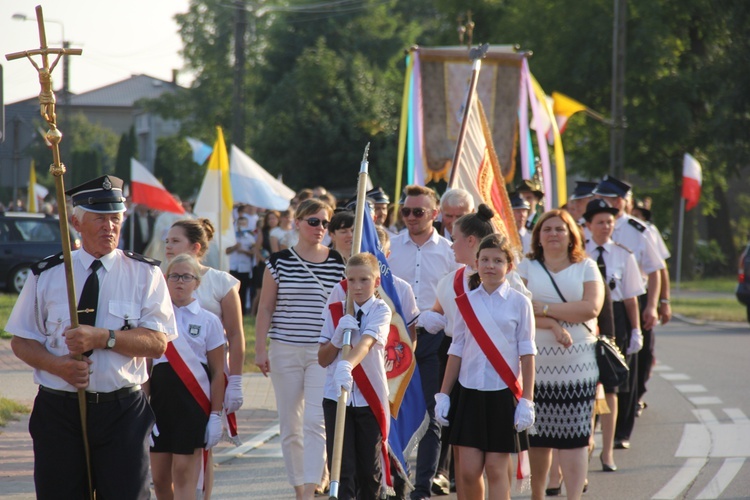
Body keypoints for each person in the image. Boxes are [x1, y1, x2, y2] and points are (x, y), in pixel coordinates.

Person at [6, 175, 177, 499]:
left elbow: (158, 343)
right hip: (60, 412)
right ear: (75, 221)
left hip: (122, 412)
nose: (108, 227)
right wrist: (58, 366)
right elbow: (22, 340)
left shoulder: (145, 274)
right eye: (99, 218)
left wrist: (105, 338)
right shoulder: (49, 274)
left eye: (115, 218)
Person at [254, 198, 346, 500]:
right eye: (313, 221)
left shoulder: (338, 262)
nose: (320, 228)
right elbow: (265, 308)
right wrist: (260, 350)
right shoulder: (278, 262)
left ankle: (310, 487)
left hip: (323, 353)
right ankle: (299, 490)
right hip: (284, 349)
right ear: (298, 223)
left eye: (325, 222)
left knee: (315, 422)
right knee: (290, 424)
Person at [435, 233, 536, 500]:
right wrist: (444, 394)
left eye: (498, 260)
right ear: (476, 263)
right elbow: (456, 349)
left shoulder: (520, 303)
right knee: (467, 472)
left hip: (502, 393)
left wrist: (527, 400)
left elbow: (527, 353)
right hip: (469, 392)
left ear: (509, 266)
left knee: (496, 469)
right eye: (485, 259)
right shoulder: (466, 302)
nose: (491, 265)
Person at [517, 209, 604, 500]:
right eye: (547, 229)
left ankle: (574, 497)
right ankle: (538, 496)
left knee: (576, 439)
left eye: (560, 229)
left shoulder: (586, 267)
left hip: (578, 365)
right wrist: (553, 322)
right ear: (538, 237)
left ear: (572, 236)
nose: (553, 233)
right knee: (538, 439)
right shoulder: (526, 266)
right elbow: (519, 309)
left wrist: (542, 308)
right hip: (536, 366)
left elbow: (590, 308)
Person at [164, 218, 246, 499]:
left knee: (202, 453)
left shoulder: (220, 281)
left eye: (175, 241)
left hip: (205, 379)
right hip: (167, 378)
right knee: (167, 463)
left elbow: (235, 335)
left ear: (195, 247)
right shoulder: (161, 277)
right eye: (167, 241)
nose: (168, 246)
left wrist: (235, 381)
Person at [388, 184, 460, 499]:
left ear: (434, 214)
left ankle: (422, 485)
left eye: (418, 212)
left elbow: (457, 297)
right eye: (406, 211)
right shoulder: (389, 247)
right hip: (394, 339)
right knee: (394, 410)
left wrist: (438, 319)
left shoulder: (449, 251)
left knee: (431, 413)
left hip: (432, 339)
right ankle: (398, 482)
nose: (411, 217)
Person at [592, 175, 664, 449]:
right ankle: (595, 426)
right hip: (592, 304)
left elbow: (656, 270)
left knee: (625, 369)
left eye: (609, 200)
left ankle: (622, 431)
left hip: (626, 301)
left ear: (621, 201)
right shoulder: (583, 232)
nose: (603, 205)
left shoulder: (638, 229)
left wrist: (655, 305)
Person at [149, 254, 226, 500]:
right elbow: (145, 370)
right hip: (160, 407)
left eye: (186, 277)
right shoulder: (153, 320)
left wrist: (215, 415)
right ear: (165, 280)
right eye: (174, 276)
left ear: (197, 282)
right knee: (160, 480)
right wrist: (143, 411)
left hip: (192, 408)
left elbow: (217, 373)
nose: (179, 281)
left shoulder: (209, 321)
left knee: (183, 474)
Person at [318, 252, 393, 499]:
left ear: (376, 281)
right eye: (351, 280)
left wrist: (346, 365)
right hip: (336, 395)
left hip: (368, 397)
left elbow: (367, 343)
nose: (357, 287)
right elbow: (323, 358)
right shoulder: (335, 311)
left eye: (364, 280)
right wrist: (337, 338)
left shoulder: (381, 310)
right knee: (342, 469)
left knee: (369, 473)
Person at [582, 199, 644, 472]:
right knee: (585, 388)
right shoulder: (579, 253)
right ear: (588, 226)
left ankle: (607, 452)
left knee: (610, 388)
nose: (606, 226)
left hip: (614, 319)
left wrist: (636, 330)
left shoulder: (623, 254)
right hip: (586, 318)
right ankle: (585, 447)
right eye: (600, 222)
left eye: (609, 221)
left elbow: (631, 298)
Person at [226, 215, 256, 315]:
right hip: (234, 266)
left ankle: (242, 311)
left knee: (243, 290)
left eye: (244, 224)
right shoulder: (232, 237)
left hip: (245, 267)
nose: (241, 226)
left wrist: (243, 251)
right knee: (233, 290)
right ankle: (232, 311)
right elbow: (227, 250)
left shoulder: (250, 237)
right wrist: (235, 247)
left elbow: (254, 252)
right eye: (240, 223)